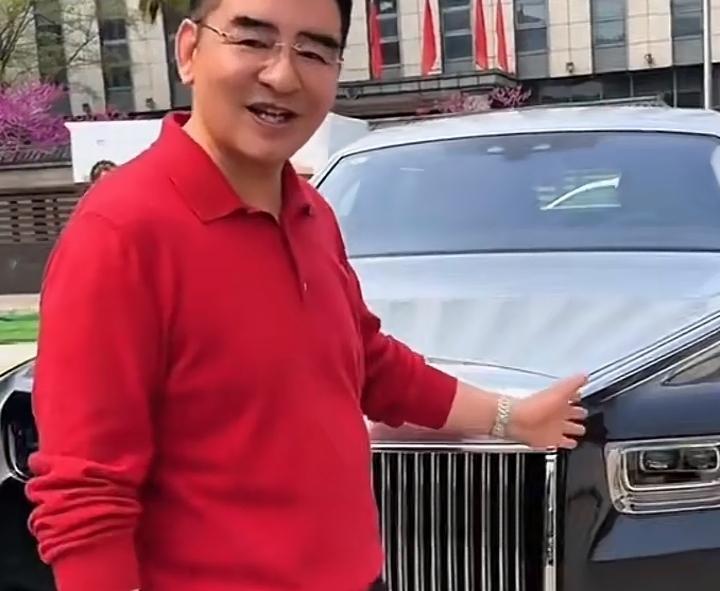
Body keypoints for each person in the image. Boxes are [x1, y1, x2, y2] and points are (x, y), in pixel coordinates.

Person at [25, 0, 588, 590]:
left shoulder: (310, 210)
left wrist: (511, 418)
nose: (283, 75)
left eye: (314, 51)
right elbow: (85, 494)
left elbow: (368, 363)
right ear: (189, 51)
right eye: (252, 41)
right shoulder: (120, 233)